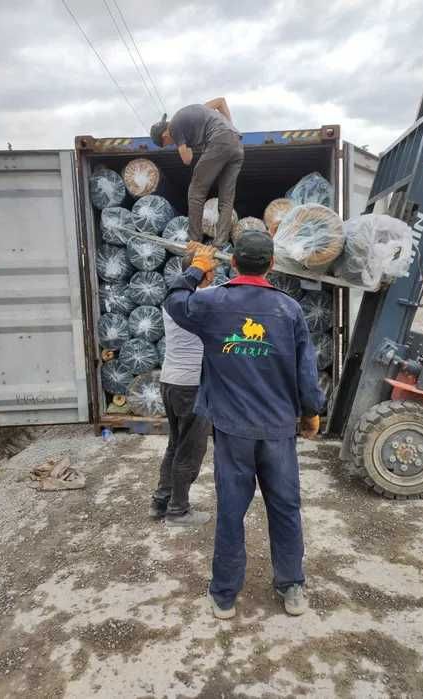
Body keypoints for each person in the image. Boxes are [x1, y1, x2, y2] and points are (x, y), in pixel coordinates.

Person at [163, 232, 324, 619]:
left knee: (232, 510)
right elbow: (306, 369)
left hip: (233, 431)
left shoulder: (212, 303)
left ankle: (224, 595)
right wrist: (311, 411)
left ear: (233, 263)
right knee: (285, 508)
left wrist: (197, 268)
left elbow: (172, 300)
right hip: (278, 430)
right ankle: (291, 587)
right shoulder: (288, 310)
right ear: (271, 265)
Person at [149, 255, 214, 527]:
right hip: (192, 386)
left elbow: (181, 286)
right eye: (212, 271)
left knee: (175, 444)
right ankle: (178, 511)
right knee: (190, 449)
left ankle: (161, 500)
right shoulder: (201, 301)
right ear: (203, 274)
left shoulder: (173, 300)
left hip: (170, 381)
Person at [150, 98, 244, 247]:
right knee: (226, 198)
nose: (171, 144)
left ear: (164, 136)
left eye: (167, 144)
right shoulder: (198, 111)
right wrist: (230, 125)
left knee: (195, 192)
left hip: (219, 141)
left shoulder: (174, 127)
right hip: (237, 144)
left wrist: (184, 146)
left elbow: (187, 159)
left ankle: (194, 239)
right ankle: (220, 242)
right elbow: (220, 102)